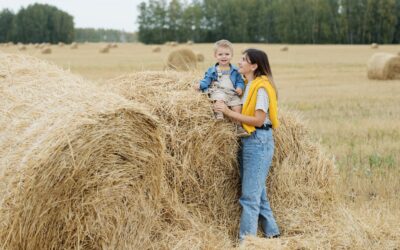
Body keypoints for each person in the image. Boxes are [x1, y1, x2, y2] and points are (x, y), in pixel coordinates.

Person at [214, 48, 280, 242]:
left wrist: (226, 112)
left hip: (258, 140)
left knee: (249, 197)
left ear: (254, 66)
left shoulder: (261, 89)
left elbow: (258, 120)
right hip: (249, 139)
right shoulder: (246, 85)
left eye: (244, 60)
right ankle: (272, 233)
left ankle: (247, 241)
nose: (239, 62)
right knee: (258, 192)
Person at [196, 39, 248, 136]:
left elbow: (240, 81)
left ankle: (238, 126)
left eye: (227, 54)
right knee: (219, 99)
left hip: (232, 93)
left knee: (237, 106)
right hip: (219, 91)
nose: (224, 56)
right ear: (215, 56)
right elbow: (206, 80)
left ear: (231, 55)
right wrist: (200, 85)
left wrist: (240, 87)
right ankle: (218, 113)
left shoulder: (236, 70)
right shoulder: (213, 70)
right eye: (220, 54)